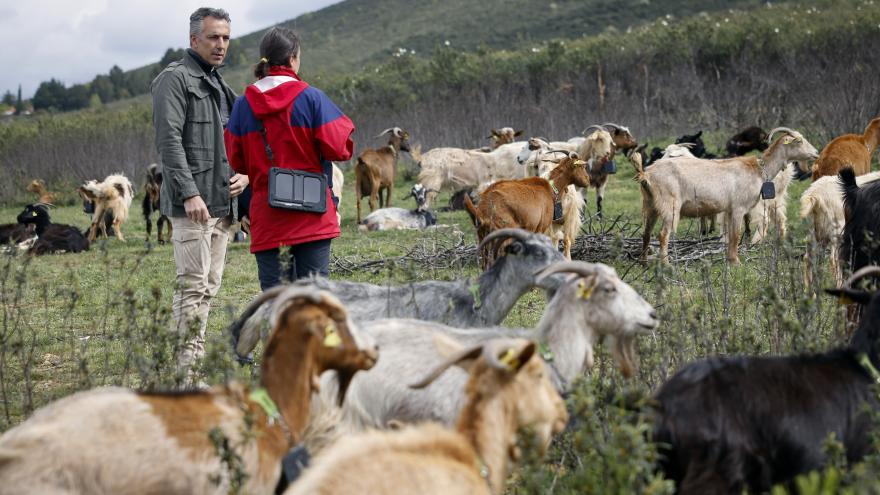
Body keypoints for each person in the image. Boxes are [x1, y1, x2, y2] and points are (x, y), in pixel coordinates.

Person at [151, 7, 248, 378]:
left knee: (209, 287)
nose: (221, 45)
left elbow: (235, 143)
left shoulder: (221, 86)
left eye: (225, 37)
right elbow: (169, 141)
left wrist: (247, 175)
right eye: (213, 37)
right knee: (192, 288)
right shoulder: (173, 80)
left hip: (223, 205)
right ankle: (185, 378)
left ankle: (192, 368)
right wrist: (190, 193)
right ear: (194, 40)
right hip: (192, 205)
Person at [225, 27, 354, 290]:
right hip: (313, 215)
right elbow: (341, 149)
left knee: (275, 304)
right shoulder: (312, 98)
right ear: (293, 58)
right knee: (314, 301)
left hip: (268, 218)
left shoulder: (242, 105)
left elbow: (237, 162)